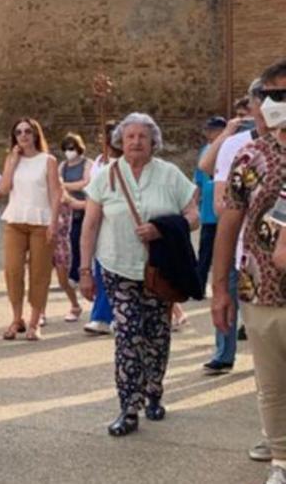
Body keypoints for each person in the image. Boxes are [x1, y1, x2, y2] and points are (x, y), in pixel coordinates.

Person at [80, 112, 199, 437]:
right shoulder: (106, 176)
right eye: (130, 136)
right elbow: (90, 225)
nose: (135, 142)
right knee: (128, 337)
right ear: (121, 141)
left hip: (159, 270)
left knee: (157, 337)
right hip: (118, 268)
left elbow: (193, 216)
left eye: (142, 137)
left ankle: (154, 391)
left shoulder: (169, 174)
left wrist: (164, 229)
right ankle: (128, 408)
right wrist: (85, 270)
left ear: (153, 142)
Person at [212, 59, 286, 484]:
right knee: (273, 383)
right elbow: (230, 222)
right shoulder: (250, 154)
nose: (276, 103)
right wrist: (219, 287)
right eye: (271, 95)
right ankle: (282, 458)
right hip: (261, 286)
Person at [0, 117, 62, 341]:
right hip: (15, 220)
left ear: (35, 134)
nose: (23, 135)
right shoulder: (11, 158)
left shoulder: (48, 160)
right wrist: (13, 160)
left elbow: (56, 192)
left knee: (39, 272)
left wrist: (54, 221)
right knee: (13, 270)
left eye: (27, 131)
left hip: (41, 221)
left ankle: (35, 322)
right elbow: (4, 188)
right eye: (18, 132)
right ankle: (17, 319)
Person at [196, 115, 235, 374]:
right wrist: (228, 134)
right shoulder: (234, 143)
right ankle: (223, 354)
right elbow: (205, 167)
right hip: (225, 224)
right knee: (227, 292)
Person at [82, 121, 120, 336]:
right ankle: (102, 316)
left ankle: (107, 316)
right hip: (99, 220)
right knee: (102, 269)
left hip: (117, 222)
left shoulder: (125, 163)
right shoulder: (99, 162)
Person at [54, 133, 88, 322]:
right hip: (46, 235)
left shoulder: (86, 164)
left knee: (62, 278)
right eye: (65, 148)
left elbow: (85, 184)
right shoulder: (62, 167)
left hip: (69, 226)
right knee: (39, 277)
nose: (69, 151)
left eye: (71, 147)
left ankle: (75, 303)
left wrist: (92, 206)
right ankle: (39, 314)